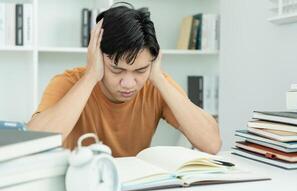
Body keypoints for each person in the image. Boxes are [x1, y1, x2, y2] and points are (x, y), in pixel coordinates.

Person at [27, 4, 221, 157]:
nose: (129, 83)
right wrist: (90, 77)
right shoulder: (69, 82)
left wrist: (158, 79)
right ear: (97, 55)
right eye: (116, 70)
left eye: (140, 70)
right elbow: (33, 144)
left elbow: (211, 143)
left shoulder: (155, 83)